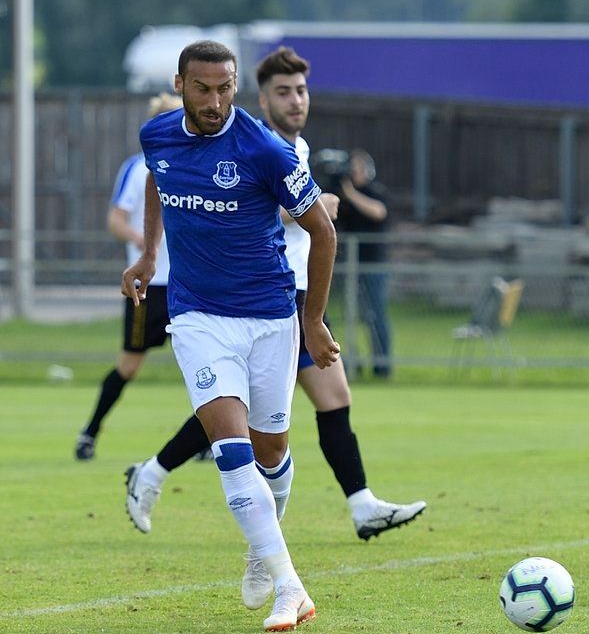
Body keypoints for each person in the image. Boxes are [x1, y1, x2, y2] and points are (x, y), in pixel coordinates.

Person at [124, 47, 426, 566]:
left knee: (318, 403)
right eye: (284, 92)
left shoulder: (296, 150)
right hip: (248, 299)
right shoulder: (253, 146)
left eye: (302, 91)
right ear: (263, 99)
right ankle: (166, 482)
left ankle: (357, 504)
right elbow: (208, 195)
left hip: (295, 299)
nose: (295, 101)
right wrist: (151, 253)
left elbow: (306, 223)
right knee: (235, 413)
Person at [121, 39, 339, 632]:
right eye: (202, 89)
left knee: (272, 451)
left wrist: (312, 321)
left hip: (270, 317)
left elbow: (323, 232)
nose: (215, 102)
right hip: (197, 317)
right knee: (230, 448)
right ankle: (291, 588)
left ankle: (261, 551)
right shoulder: (159, 136)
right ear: (181, 84)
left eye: (225, 89)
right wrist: (149, 253)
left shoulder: (265, 150)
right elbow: (156, 180)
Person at [74, 94, 184, 461]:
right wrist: (143, 239)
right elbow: (115, 220)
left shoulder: (198, 165)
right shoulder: (138, 168)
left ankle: (207, 441)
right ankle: (89, 432)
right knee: (129, 366)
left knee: (206, 365)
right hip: (149, 287)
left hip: (191, 285)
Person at [338, 149, 392, 379]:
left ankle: (382, 365)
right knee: (351, 315)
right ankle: (352, 364)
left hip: (373, 265)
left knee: (375, 314)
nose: (354, 172)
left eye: (358, 168)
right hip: (350, 267)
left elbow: (379, 212)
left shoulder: (374, 192)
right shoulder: (343, 195)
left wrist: (350, 194)